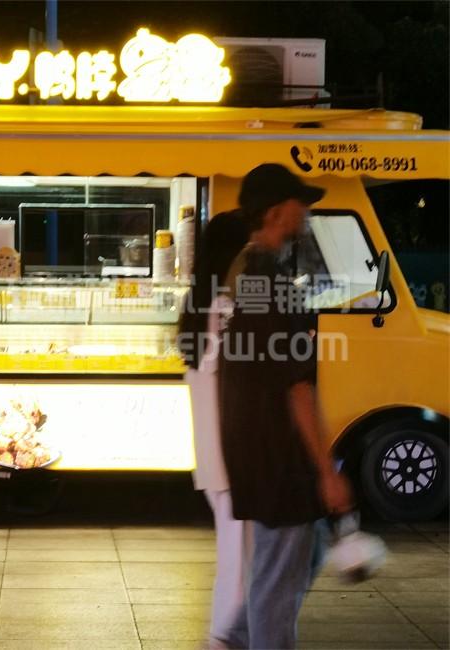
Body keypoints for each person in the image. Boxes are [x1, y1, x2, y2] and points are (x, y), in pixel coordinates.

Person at [219, 163, 353, 649]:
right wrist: (326, 470)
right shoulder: (273, 284)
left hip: (255, 447)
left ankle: (235, 638)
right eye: (302, 203)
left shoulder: (246, 273)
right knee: (278, 583)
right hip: (279, 455)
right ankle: (245, 639)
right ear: (276, 212)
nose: (308, 212)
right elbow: (296, 387)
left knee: (297, 555)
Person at [178, 210, 249, 649]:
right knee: (240, 562)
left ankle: (227, 635)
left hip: (214, 456)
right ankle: (224, 637)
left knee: (235, 556)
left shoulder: (198, 306)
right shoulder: (225, 310)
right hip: (233, 456)